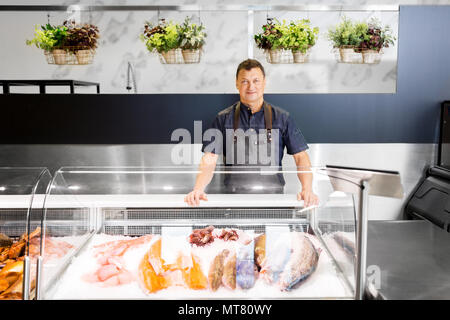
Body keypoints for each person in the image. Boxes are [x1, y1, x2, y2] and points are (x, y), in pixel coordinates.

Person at [184, 59, 319, 207]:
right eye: (244, 81)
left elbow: (301, 157)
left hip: (274, 202)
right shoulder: (222, 118)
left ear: (264, 82)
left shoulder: (282, 117)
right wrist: (198, 189)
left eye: (256, 81)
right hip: (232, 202)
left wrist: (307, 189)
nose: (251, 87)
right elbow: (210, 158)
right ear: (236, 84)